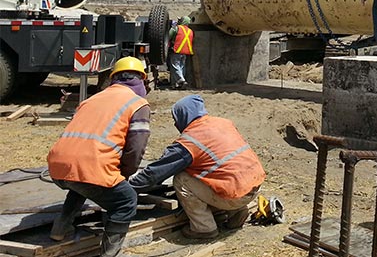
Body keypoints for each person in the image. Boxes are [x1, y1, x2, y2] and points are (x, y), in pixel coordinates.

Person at [47, 57, 151, 257]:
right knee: (127, 200)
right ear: (141, 80)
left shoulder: (91, 99)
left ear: (114, 79)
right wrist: (125, 174)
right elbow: (137, 147)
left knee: (81, 182)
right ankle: (109, 253)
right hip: (92, 165)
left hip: (58, 167)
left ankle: (59, 230)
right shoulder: (138, 104)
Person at [129, 95, 266, 239]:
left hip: (234, 194)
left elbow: (156, 173)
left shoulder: (190, 140)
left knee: (182, 179)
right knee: (222, 171)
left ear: (183, 117)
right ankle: (237, 212)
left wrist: (128, 187)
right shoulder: (223, 123)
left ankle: (204, 228)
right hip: (254, 186)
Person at [168, 16, 194, 89]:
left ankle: (181, 80)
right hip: (185, 51)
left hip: (176, 50)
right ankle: (177, 84)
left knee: (175, 65)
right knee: (182, 67)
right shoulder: (190, 31)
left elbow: (169, 36)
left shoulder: (177, 28)